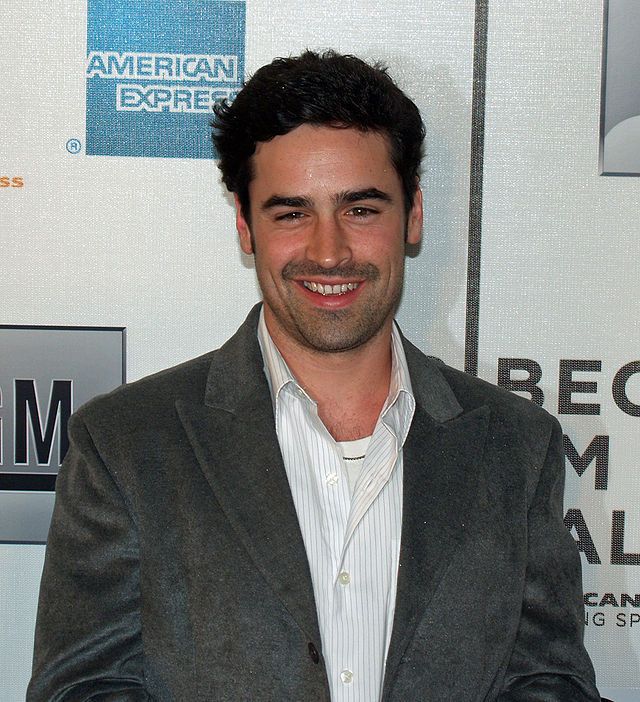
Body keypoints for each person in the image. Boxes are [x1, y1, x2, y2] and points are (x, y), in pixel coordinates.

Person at [28, 50, 600, 701]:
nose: (329, 253)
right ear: (246, 226)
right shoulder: (126, 446)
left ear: (413, 215)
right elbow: (81, 690)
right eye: (292, 213)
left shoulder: (515, 447)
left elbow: (547, 684)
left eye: (360, 210)